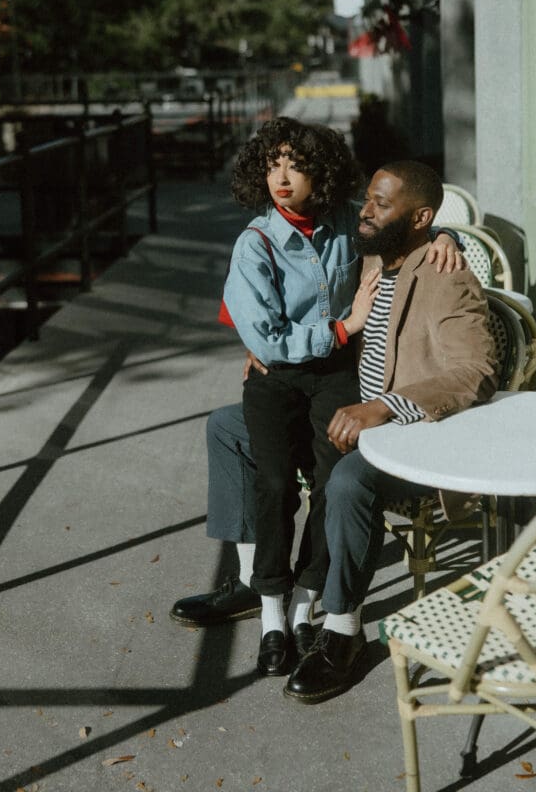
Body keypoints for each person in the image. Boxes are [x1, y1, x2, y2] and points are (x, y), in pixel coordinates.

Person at [170, 127, 464, 671]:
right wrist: (344, 326)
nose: (281, 179)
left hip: (333, 379)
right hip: (283, 373)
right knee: (254, 458)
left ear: (320, 175)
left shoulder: (346, 225)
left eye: (296, 167)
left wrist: (448, 237)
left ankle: (308, 600)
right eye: (273, 166)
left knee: (334, 476)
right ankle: (259, 592)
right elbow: (269, 338)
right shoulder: (255, 242)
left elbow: (402, 220)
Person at [282, 161, 497, 703]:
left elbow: (475, 370)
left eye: (382, 203)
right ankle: (259, 593)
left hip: (413, 432)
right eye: (368, 200)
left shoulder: (447, 275)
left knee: (351, 483)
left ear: (421, 217)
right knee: (234, 427)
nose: (367, 211)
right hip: (344, 408)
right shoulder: (373, 257)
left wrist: (384, 406)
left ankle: (341, 632)